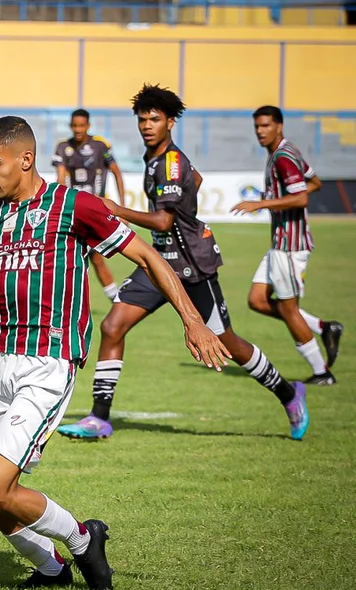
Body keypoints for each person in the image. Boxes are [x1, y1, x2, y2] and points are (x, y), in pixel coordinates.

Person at [0, 115, 229, 589]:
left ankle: (84, 540)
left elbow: (147, 255)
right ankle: (52, 570)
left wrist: (193, 320)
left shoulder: (73, 206)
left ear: (26, 159)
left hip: (48, 361)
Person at [57, 86, 310, 442]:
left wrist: (115, 210)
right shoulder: (156, 157)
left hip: (191, 265)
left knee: (227, 343)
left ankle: (288, 393)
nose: (147, 125)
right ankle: (99, 418)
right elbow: (195, 182)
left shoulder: (170, 162)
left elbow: (163, 221)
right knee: (113, 326)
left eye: (155, 119)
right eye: (142, 119)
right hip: (158, 262)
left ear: (170, 122)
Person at [232, 105, 341, 384]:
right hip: (279, 244)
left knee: (288, 309)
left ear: (279, 126)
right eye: (257, 126)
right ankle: (322, 326)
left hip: (290, 247)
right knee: (257, 300)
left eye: (266, 125)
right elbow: (313, 182)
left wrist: (262, 203)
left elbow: (302, 197)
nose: (260, 131)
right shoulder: (284, 151)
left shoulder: (283, 157)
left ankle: (321, 373)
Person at [52, 109, 127, 300]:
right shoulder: (62, 147)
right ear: (70, 126)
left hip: (96, 209)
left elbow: (117, 173)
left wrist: (123, 209)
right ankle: (115, 300)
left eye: (81, 125)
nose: (78, 129)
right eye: (74, 125)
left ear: (88, 126)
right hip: (73, 209)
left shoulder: (100, 146)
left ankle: (118, 300)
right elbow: (60, 177)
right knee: (83, 257)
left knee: (98, 256)